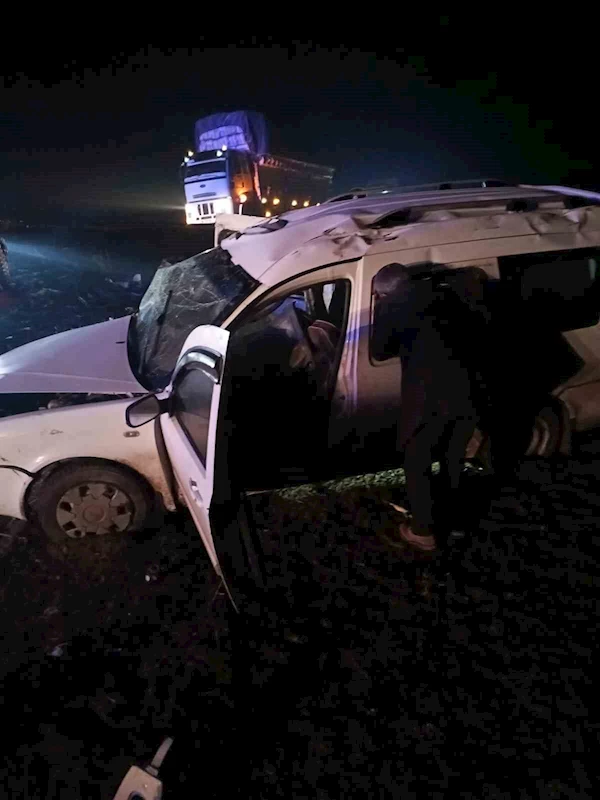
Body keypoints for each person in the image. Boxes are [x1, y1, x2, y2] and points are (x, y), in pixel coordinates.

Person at [372, 263, 490, 552]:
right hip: (469, 393)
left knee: (417, 462)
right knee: (453, 461)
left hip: (430, 401)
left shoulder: (392, 305)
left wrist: (382, 311)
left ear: (384, 292)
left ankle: (422, 531)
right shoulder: (446, 294)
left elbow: (379, 350)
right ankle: (457, 524)